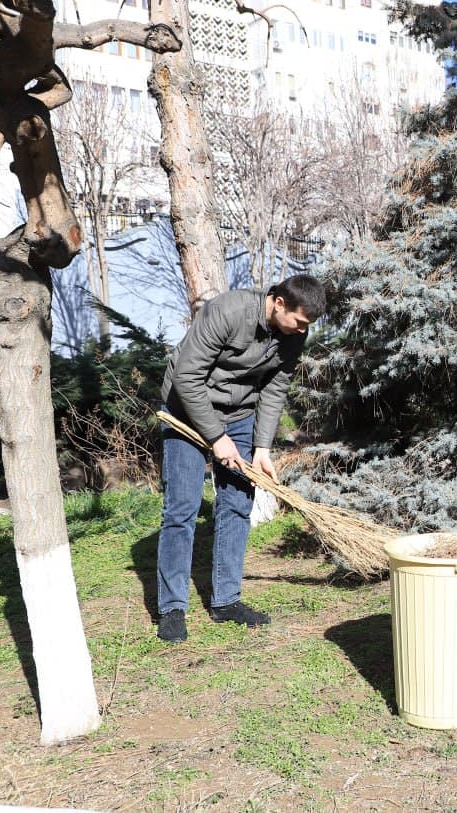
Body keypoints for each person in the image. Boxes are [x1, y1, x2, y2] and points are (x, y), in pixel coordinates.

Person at [155, 274, 327, 643]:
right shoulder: (227, 311)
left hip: (239, 415)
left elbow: (275, 387)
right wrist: (216, 438)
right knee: (181, 510)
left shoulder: (294, 334)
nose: (301, 331)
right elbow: (187, 378)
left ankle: (226, 600)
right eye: (299, 321)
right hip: (185, 408)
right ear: (278, 303)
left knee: (236, 505)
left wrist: (262, 446)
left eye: (307, 326)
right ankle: (171, 608)